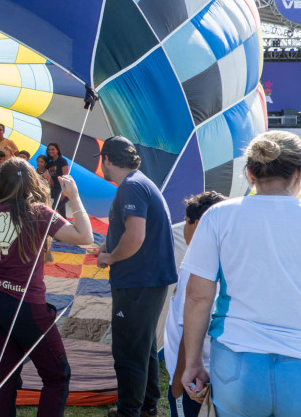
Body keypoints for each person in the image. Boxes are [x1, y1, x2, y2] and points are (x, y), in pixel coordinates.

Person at [0, 158, 93, 416]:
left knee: (5, 377)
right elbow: (85, 237)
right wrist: (74, 196)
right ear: (31, 182)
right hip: (26, 308)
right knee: (57, 377)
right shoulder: (38, 212)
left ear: (0, 183)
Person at [180, 131, 301, 415]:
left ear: (249, 173)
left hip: (236, 359)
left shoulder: (219, 215)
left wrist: (193, 363)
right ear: (298, 172)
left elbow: (198, 296)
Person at [95, 136, 178, 417]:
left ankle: (129, 410)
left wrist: (110, 256)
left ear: (106, 159)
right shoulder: (140, 182)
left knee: (129, 350)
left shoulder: (131, 187)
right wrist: (111, 242)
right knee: (144, 346)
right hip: (148, 280)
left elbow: (136, 235)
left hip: (138, 282)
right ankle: (147, 407)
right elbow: (136, 231)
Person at [163, 191, 226, 417]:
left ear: (198, 224)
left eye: (186, 223)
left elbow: (188, 326)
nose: (184, 230)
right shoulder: (230, 257)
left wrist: (178, 385)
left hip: (193, 379)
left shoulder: (195, 266)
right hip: (218, 372)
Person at [44, 143, 70, 217]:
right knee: (62, 214)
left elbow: (66, 177)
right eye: (49, 150)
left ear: (57, 150)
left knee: (53, 209)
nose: (50, 151)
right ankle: (65, 227)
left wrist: (64, 192)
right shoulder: (50, 163)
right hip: (55, 190)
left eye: (53, 149)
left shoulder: (62, 161)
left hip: (63, 190)